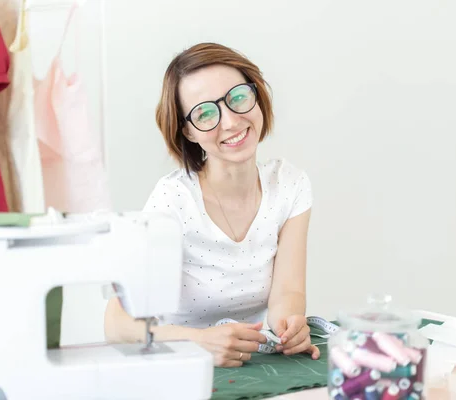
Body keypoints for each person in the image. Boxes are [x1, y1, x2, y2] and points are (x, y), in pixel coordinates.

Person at [104, 42, 319, 367]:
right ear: (187, 131)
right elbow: (115, 324)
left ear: (257, 97)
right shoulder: (171, 202)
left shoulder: (290, 185)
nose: (231, 122)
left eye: (238, 98)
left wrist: (290, 326)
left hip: (257, 366)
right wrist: (200, 343)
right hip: (182, 366)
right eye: (205, 113)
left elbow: (287, 292)